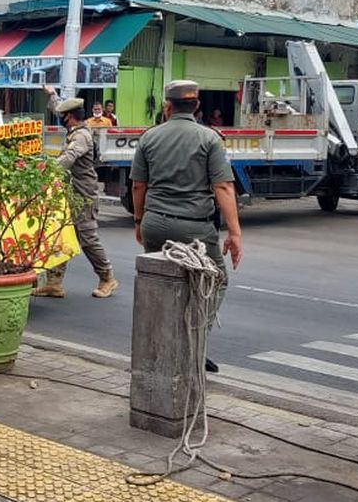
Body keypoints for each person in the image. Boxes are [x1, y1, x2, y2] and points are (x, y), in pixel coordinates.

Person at [130, 80, 242, 372]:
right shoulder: (209, 139)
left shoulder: (149, 138)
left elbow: (138, 186)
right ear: (197, 106)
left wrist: (140, 221)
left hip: (155, 225)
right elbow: (224, 188)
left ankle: (155, 350)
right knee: (215, 280)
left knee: (158, 283)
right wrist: (235, 233)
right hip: (195, 231)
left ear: (167, 107)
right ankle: (192, 344)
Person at [36, 88, 119, 299]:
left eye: (63, 116)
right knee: (59, 234)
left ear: (70, 117)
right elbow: (58, 108)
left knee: (88, 238)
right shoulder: (75, 128)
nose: (60, 118)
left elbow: (69, 157)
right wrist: (52, 94)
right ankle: (54, 283)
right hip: (69, 193)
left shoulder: (81, 136)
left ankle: (107, 278)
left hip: (83, 194)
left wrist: (47, 171)